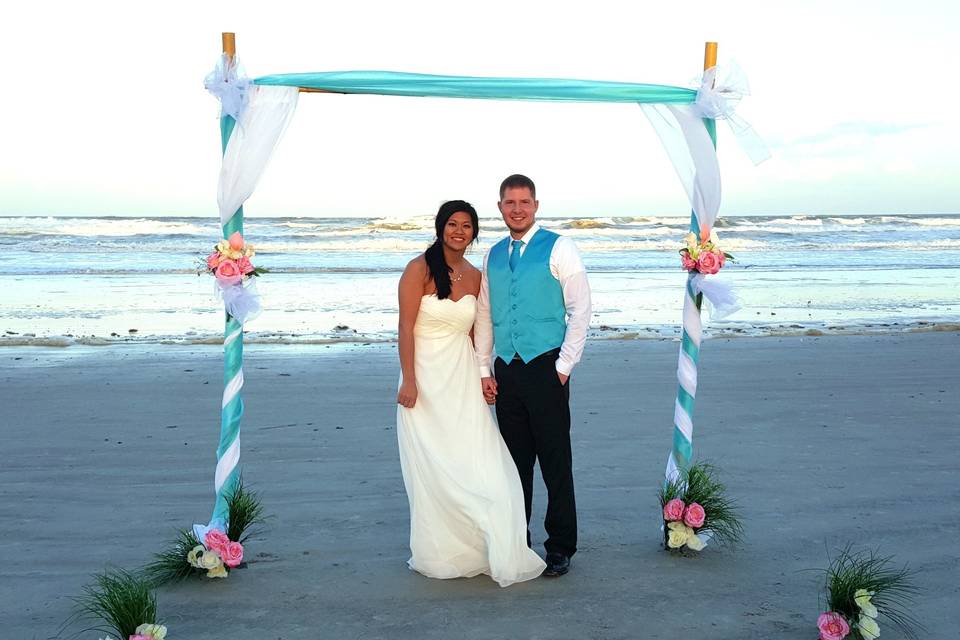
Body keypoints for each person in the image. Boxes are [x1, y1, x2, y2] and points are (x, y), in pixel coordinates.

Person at [395, 199, 546, 587]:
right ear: (440, 227)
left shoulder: (476, 275)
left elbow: (480, 332)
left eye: (466, 225)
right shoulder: (418, 269)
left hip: (462, 378)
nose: (459, 231)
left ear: (474, 233)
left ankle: (485, 540)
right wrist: (409, 379)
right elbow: (405, 328)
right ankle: (444, 547)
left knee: (478, 458)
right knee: (435, 461)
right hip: (426, 378)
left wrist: (484, 376)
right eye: (452, 224)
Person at [474, 174, 592, 577]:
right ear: (500, 207)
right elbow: (485, 314)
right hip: (507, 369)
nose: (518, 209)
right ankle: (517, 541)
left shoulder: (560, 247)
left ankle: (560, 547)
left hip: (546, 366)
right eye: (510, 203)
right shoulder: (492, 255)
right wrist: (484, 367)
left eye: (525, 202)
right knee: (514, 463)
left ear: (536, 205)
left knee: (555, 461)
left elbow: (580, 311)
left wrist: (563, 367)